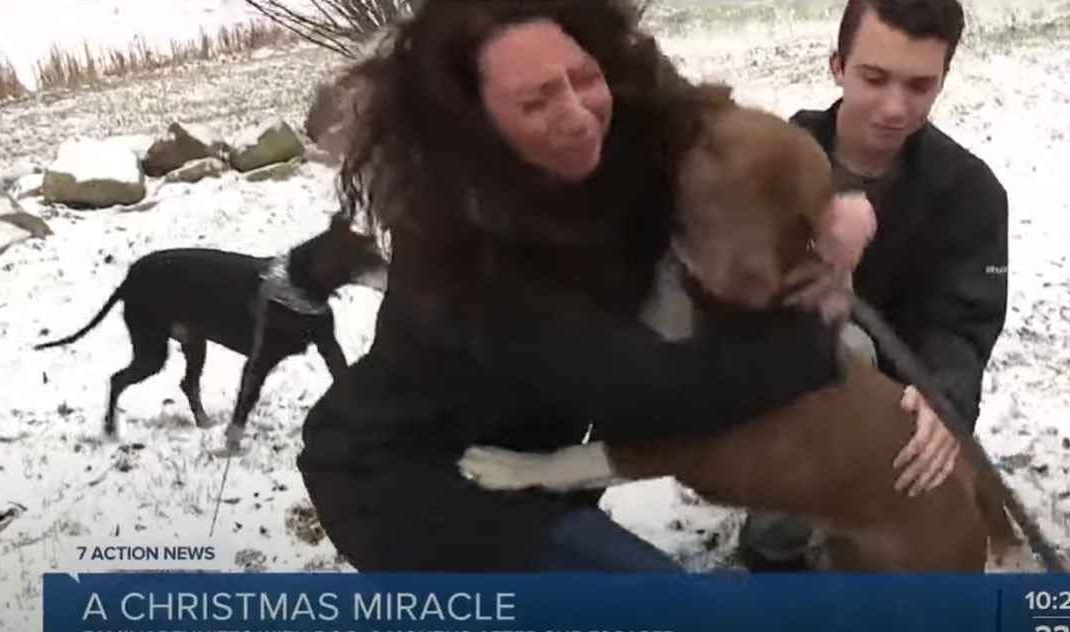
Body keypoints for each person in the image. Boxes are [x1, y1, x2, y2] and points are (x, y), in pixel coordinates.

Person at [295, 0, 878, 573]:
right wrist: (816, 345)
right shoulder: (467, 254)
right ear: (474, 124)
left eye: (582, 77)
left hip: (531, 455)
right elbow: (658, 396)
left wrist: (837, 203)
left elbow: (753, 136)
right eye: (536, 100)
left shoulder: (620, 117)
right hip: (410, 481)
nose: (577, 111)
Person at [735, 0, 1011, 571]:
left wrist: (945, 395)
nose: (894, 108)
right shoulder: (778, 155)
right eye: (874, 78)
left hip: (901, 412)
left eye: (919, 85)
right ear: (837, 65)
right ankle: (772, 550)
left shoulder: (972, 192)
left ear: (944, 78)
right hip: (783, 396)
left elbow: (962, 323)